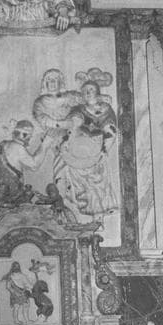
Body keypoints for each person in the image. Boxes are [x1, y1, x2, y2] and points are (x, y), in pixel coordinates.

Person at [55, 80, 119, 222]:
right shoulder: (78, 110)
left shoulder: (105, 109)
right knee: (78, 186)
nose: (88, 93)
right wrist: (66, 140)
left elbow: (111, 130)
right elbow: (70, 128)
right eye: (85, 91)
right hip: (77, 154)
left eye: (91, 89)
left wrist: (104, 150)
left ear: (97, 92)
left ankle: (98, 218)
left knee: (97, 186)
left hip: (96, 153)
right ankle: (78, 216)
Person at [0, 120, 56, 208]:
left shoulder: (3, 144)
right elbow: (34, 165)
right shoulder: (17, 147)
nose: (30, 138)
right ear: (24, 135)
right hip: (9, 194)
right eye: (30, 136)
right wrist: (45, 145)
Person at [32, 69, 82, 140]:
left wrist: (74, 120)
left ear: (60, 82)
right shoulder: (39, 102)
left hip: (72, 131)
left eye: (55, 79)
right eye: (49, 80)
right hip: (50, 134)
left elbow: (81, 107)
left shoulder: (70, 96)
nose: (52, 82)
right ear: (45, 83)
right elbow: (40, 118)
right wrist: (60, 124)